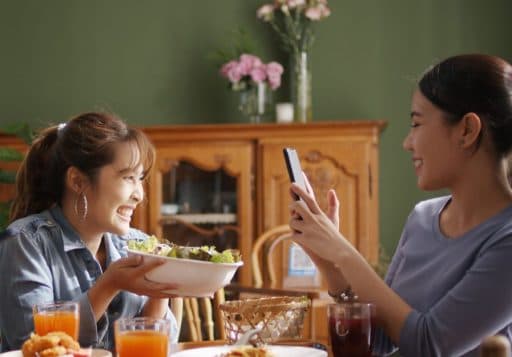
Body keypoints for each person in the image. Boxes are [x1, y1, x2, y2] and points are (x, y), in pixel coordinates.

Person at [288, 54, 512, 356]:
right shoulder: (423, 218)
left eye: (417, 123)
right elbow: (381, 339)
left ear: (467, 130)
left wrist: (342, 250)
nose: (408, 142)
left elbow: (428, 344)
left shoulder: (506, 240)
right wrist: (331, 267)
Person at [0, 112, 179, 351]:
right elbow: (34, 346)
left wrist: (159, 291)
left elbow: (158, 348)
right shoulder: (26, 242)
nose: (139, 195)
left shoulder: (139, 246)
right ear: (77, 181)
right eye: (127, 177)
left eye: (140, 179)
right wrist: (109, 284)